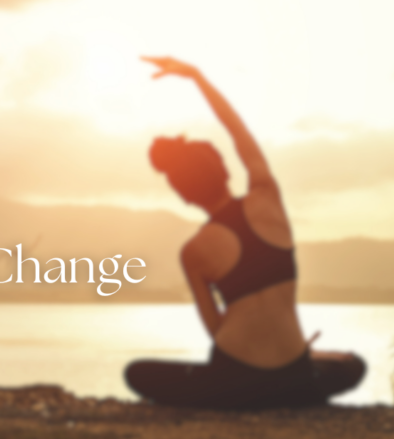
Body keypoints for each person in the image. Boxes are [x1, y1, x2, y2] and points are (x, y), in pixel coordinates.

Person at [125, 56, 366, 409]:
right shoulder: (268, 198)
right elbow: (238, 131)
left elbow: (217, 331)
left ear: (184, 195)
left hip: (234, 383)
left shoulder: (193, 252)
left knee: (138, 373)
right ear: (223, 169)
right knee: (352, 364)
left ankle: (247, 393)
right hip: (295, 378)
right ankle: (297, 381)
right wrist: (197, 77)